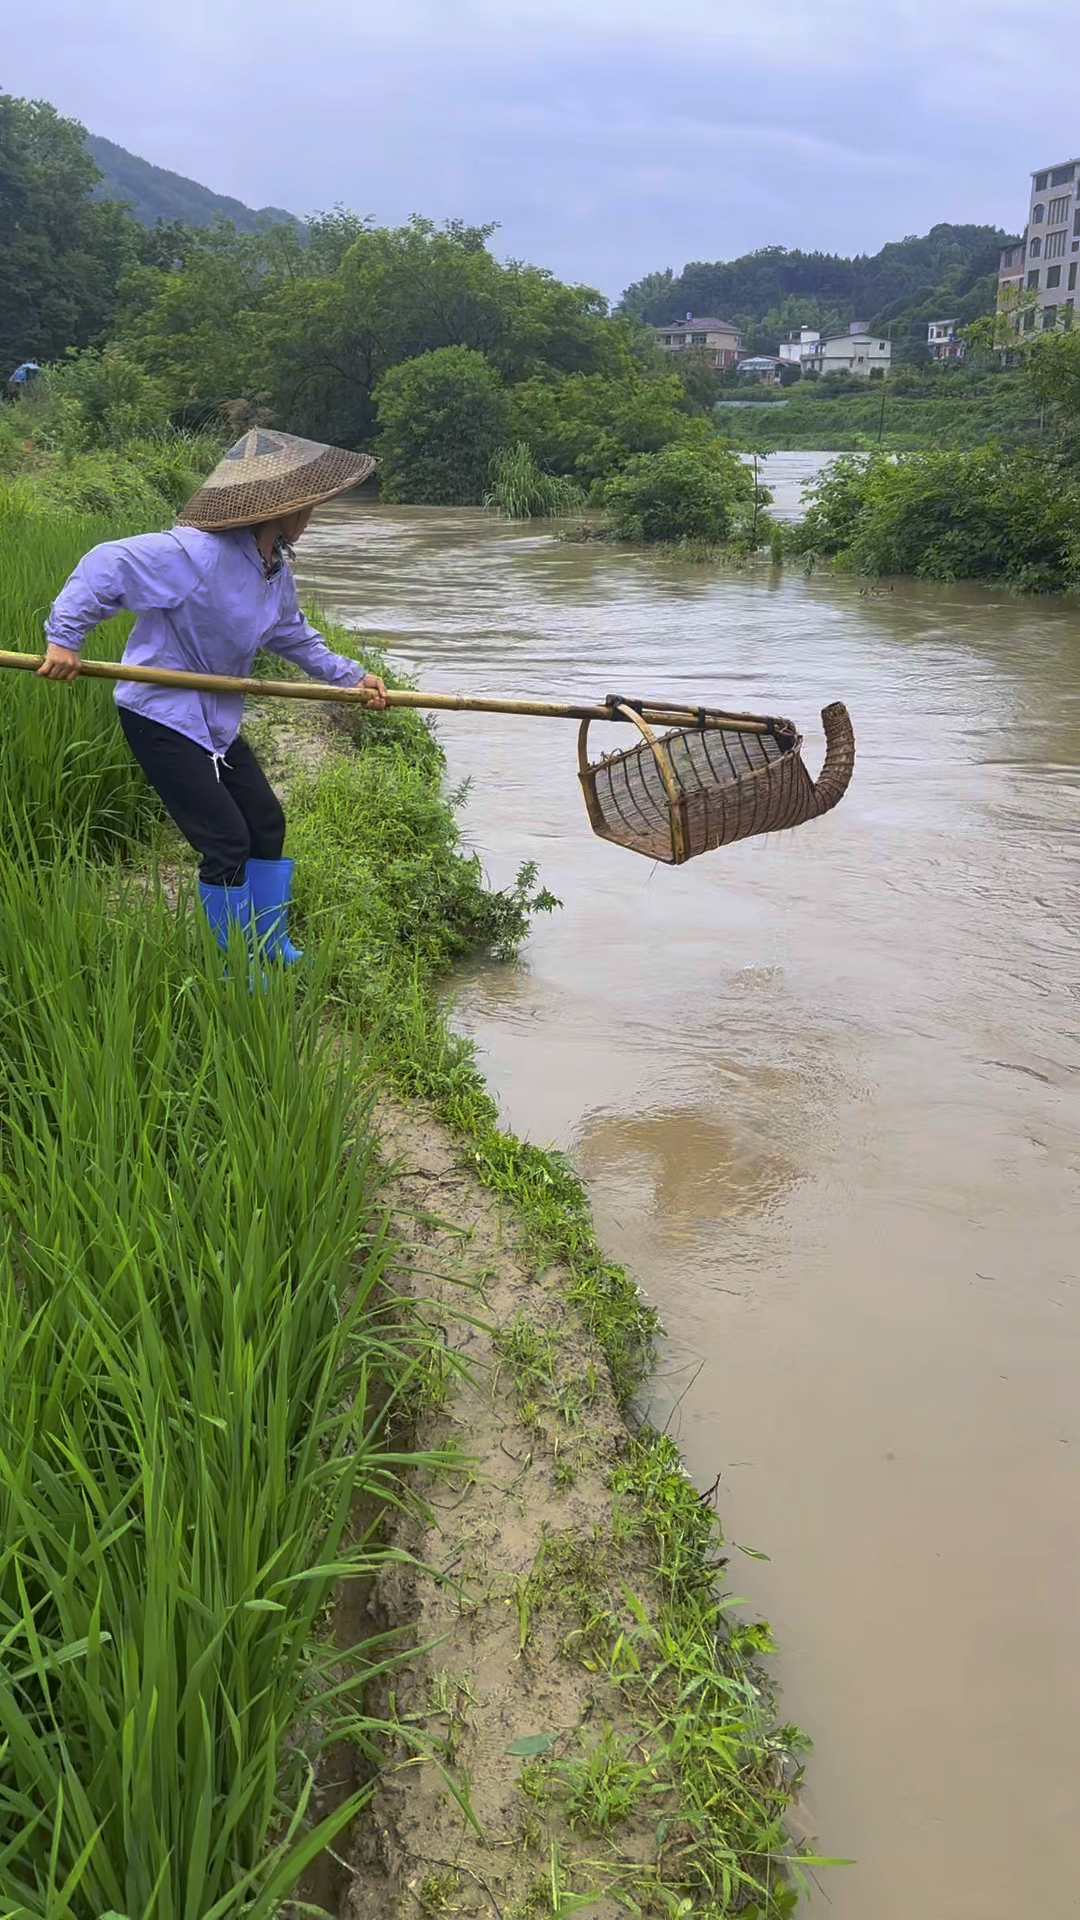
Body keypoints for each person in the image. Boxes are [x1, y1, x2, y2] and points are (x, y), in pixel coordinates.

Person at [39, 427, 386, 960]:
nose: (312, 517)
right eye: (310, 507)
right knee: (225, 841)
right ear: (283, 511)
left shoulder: (273, 572)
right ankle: (232, 968)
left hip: (215, 721)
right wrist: (65, 637)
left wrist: (350, 677)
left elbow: (290, 633)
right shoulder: (194, 553)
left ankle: (271, 944)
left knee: (265, 822)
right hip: (161, 716)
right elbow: (107, 562)